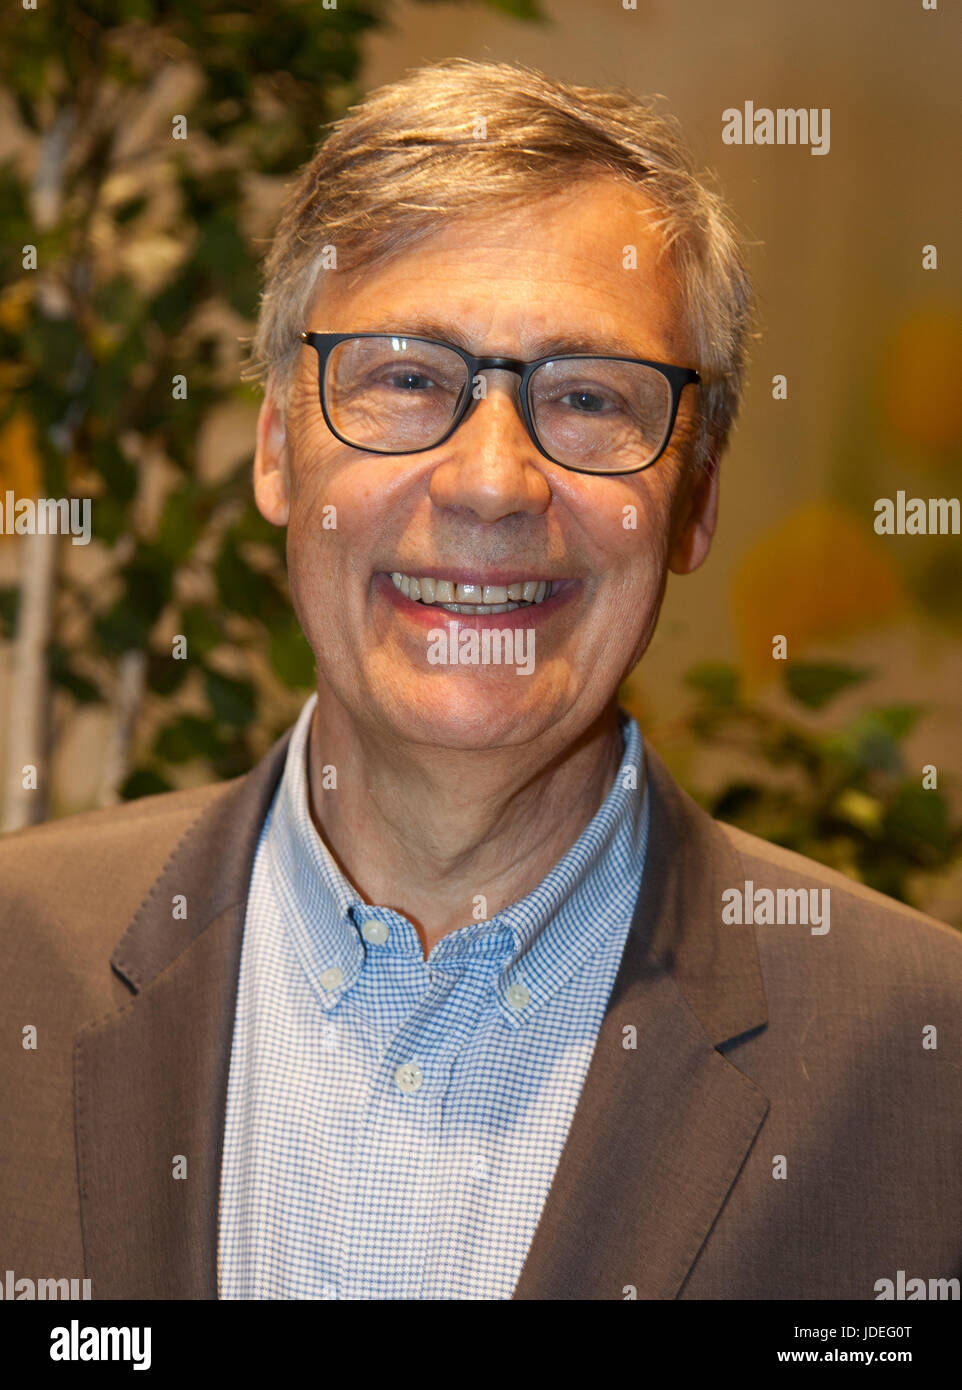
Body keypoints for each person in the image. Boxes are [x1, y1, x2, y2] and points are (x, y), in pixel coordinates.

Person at [1, 58, 960, 1303]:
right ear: (279, 454)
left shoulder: (916, 1065)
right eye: (405, 377)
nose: (493, 482)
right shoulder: (18, 961)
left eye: (586, 398)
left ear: (693, 504)